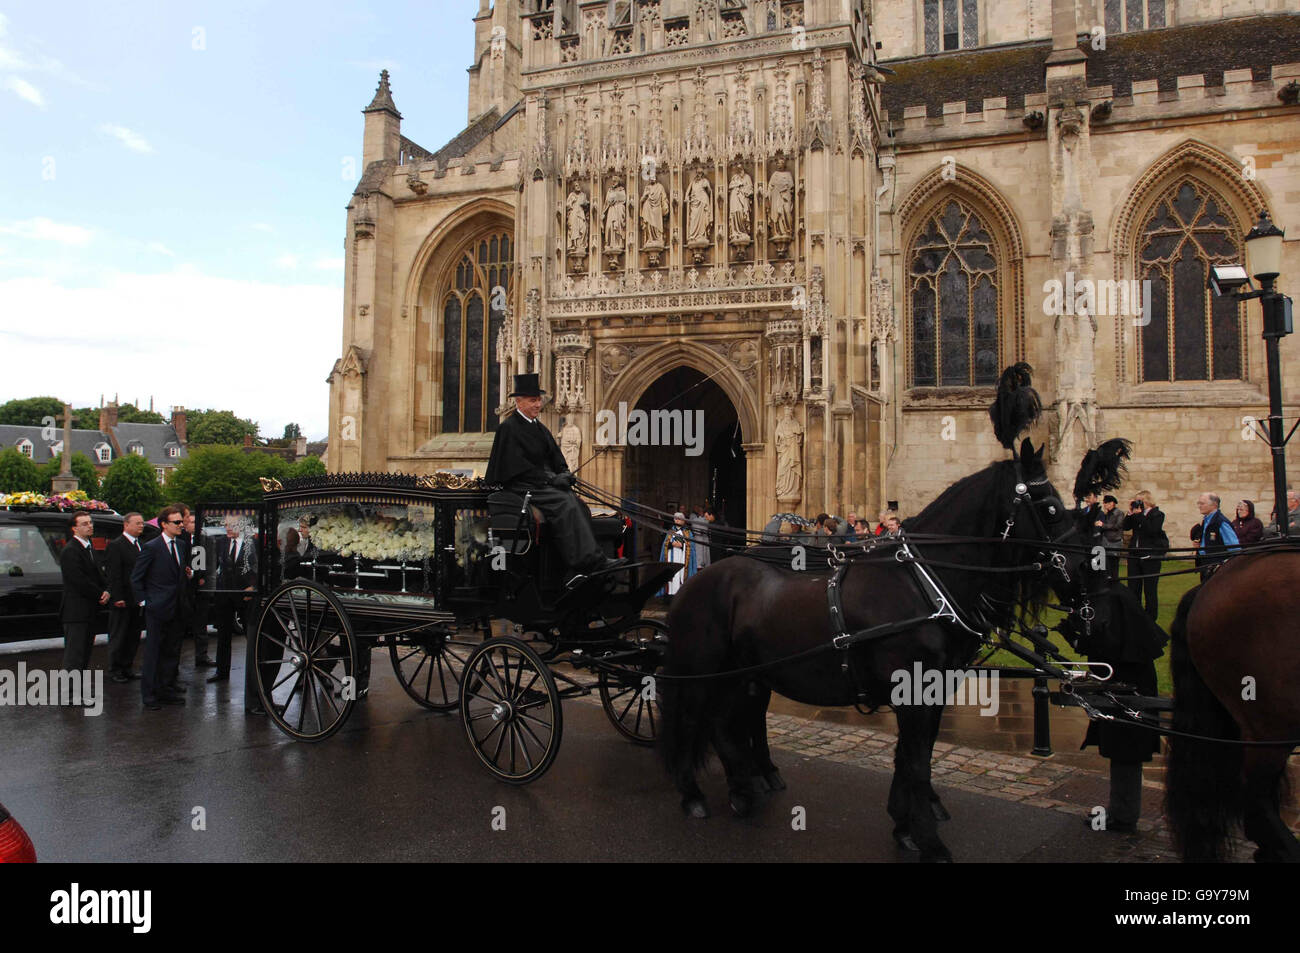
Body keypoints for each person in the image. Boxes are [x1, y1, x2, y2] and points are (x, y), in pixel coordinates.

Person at [486, 373, 625, 579]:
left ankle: (582, 562)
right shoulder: (509, 428)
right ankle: (588, 562)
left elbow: (555, 456)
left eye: (539, 400)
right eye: (533, 400)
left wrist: (564, 474)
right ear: (519, 401)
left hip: (540, 485)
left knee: (578, 504)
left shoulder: (539, 428)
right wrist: (550, 479)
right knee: (564, 503)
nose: (538, 404)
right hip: (521, 486)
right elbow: (518, 467)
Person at [131, 505, 191, 710]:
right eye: (176, 522)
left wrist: (186, 575)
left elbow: (178, 572)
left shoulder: (181, 545)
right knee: (154, 652)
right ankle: (149, 694)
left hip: (177, 607)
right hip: (158, 608)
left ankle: (166, 690)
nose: (181, 525)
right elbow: (136, 578)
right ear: (164, 524)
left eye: (181, 522)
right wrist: (145, 602)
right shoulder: (152, 547)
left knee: (171, 652)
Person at [59, 510, 109, 670]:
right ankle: (71, 692)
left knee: (85, 654)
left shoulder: (90, 547)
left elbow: (99, 573)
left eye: (90, 522)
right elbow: (78, 580)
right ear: (74, 528)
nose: (90, 526)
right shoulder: (71, 550)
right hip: (76, 612)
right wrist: (100, 593)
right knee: (75, 656)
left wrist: (107, 590)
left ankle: (79, 690)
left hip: (89, 611)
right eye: (85, 524)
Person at [210, 515, 257, 684]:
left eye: (231, 525)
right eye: (226, 525)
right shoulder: (221, 542)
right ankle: (221, 671)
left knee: (250, 635)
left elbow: (261, 567)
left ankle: (254, 674)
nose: (227, 528)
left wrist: (254, 587)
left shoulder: (253, 543)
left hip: (245, 596)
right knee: (223, 634)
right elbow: (213, 565)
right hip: (224, 594)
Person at [105, 511, 145, 682]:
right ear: (126, 525)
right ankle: (115, 669)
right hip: (123, 599)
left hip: (137, 598)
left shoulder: (140, 545)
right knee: (119, 635)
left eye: (142, 523)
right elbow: (114, 573)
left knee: (133, 635)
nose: (141, 526)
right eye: (137, 523)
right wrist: (117, 596)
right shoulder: (117, 545)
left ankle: (127, 666)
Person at [1121, 490, 1165, 620]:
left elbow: (1152, 530)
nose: (1137, 503)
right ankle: (1135, 614)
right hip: (1135, 554)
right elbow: (1125, 527)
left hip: (1150, 556)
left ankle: (1151, 617)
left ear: (1147, 501)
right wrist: (1130, 513)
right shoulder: (1136, 514)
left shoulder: (1158, 514)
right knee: (1133, 587)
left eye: (1139, 501)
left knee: (1150, 589)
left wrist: (1140, 515)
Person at [180, 507, 213, 668]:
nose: (193, 525)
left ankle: (202, 656)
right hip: (185, 588)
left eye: (196, 522)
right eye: (191, 522)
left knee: (201, 625)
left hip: (201, 588)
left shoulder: (206, 539)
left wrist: (202, 577)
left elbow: (212, 561)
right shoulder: (181, 539)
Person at [1191, 492, 1239, 580]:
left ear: (1214, 504)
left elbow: (1234, 547)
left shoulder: (1221, 522)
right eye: (1199, 503)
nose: (1199, 506)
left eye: (1202, 503)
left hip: (1217, 567)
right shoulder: (1206, 520)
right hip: (1205, 564)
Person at [658, 512, 699, 597]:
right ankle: (670, 596)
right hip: (671, 558)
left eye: (679, 518)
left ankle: (681, 595)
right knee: (672, 576)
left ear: (683, 521)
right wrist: (671, 544)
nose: (677, 520)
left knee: (680, 575)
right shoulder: (670, 532)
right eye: (675, 518)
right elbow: (664, 545)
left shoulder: (688, 532)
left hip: (682, 559)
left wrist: (682, 545)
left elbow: (691, 546)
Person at [1100, 495, 1125, 584]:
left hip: (1115, 541)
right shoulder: (1107, 514)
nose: (1104, 505)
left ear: (1112, 503)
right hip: (1106, 541)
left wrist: (1103, 525)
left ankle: (1115, 582)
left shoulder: (1119, 513)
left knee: (1114, 564)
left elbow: (1118, 526)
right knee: (1107, 564)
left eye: (1106, 503)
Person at [689, 506, 711, 570]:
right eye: (700, 511)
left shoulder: (706, 519)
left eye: (702, 511)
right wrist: (700, 531)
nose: (701, 512)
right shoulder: (695, 519)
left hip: (705, 538)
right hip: (698, 538)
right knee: (699, 554)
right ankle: (698, 566)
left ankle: (705, 566)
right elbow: (694, 528)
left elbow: (706, 528)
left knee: (705, 554)